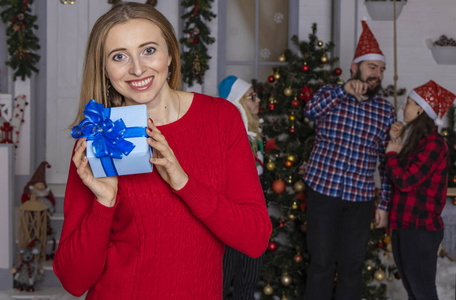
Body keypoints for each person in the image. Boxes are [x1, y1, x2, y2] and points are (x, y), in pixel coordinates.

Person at [53, 3, 272, 299]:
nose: (137, 68)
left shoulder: (221, 119)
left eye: (148, 50)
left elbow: (255, 239)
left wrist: (184, 183)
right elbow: (74, 281)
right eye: (119, 56)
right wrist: (105, 204)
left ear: (170, 54)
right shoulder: (100, 135)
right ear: (104, 68)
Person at [302, 20, 397, 300]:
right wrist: (343, 90)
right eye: (372, 67)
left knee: (352, 267)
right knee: (320, 264)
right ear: (355, 67)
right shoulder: (332, 93)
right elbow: (310, 111)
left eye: (381, 70)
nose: (377, 74)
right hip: (324, 192)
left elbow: (386, 162)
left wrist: (383, 204)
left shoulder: (384, 110)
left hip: (360, 200)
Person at [385, 80, 454, 300]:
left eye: (408, 103)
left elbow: (405, 181)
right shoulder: (417, 143)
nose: (403, 107)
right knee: (414, 292)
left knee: (423, 293)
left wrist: (392, 154)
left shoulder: (435, 145)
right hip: (403, 227)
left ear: (420, 109)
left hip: (420, 230)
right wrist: (397, 141)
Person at [218, 75, 264, 299]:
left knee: (250, 273)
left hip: (253, 214)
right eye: (251, 97)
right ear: (236, 102)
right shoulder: (230, 136)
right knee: (224, 274)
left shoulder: (256, 137)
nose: (257, 100)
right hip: (233, 213)